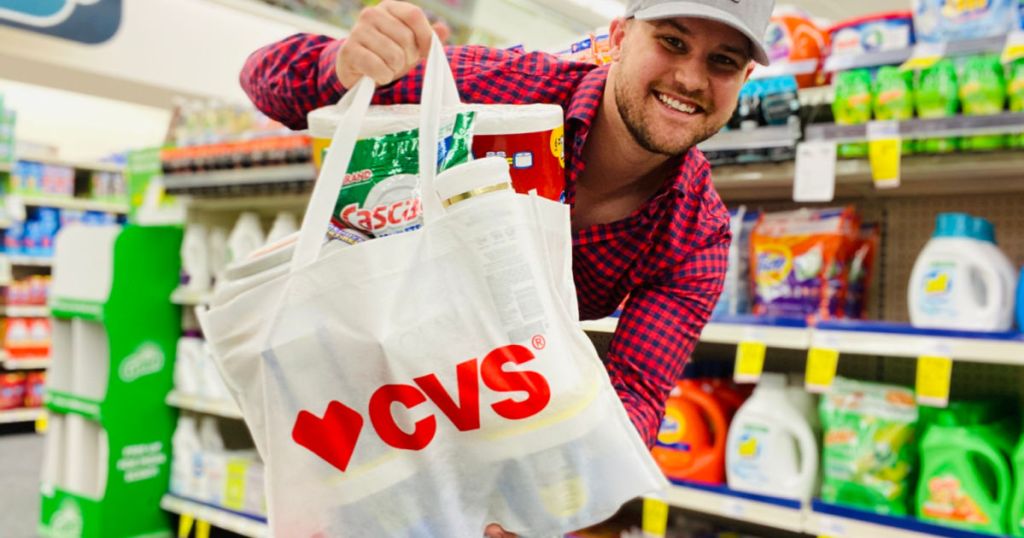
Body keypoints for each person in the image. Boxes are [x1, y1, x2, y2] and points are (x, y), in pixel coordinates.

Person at [240, 0, 773, 535]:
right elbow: (263, 76)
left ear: (744, 79)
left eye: (723, 61)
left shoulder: (696, 233)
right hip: (363, 420)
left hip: (499, 424)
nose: (689, 78)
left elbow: (634, 394)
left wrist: (551, 497)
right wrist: (344, 64)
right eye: (672, 42)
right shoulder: (503, 90)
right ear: (620, 36)